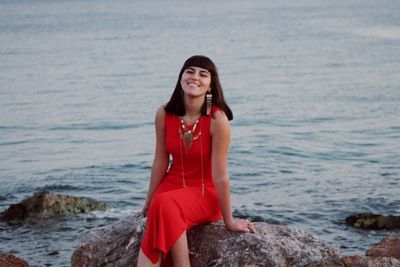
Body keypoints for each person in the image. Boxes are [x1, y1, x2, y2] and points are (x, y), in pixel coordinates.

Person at [137, 55, 256, 267]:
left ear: (211, 85)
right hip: (171, 185)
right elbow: (160, 162)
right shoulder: (163, 114)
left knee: (164, 204)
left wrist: (229, 221)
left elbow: (220, 175)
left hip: (205, 192)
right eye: (189, 71)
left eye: (203, 74)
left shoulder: (217, 121)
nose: (195, 77)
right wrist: (148, 200)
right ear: (181, 77)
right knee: (160, 203)